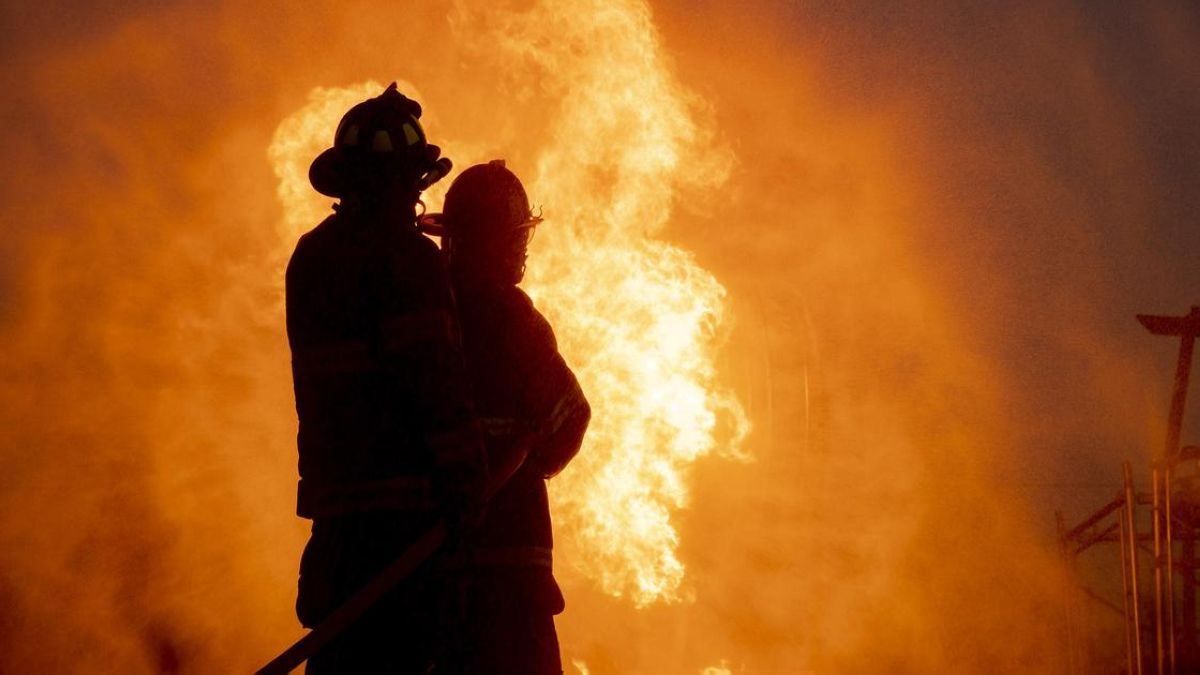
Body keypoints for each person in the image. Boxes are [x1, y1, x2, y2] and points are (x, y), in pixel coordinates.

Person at [285, 83, 487, 673]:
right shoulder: (409, 260)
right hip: (405, 532)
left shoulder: (312, 258)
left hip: (338, 530)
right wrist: (469, 488)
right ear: (409, 182)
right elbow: (436, 385)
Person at [431, 160, 591, 674]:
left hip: (431, 578)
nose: (521, 250)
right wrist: (530, 454)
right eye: (515, 238)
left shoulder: (419, 314)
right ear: (500, 243)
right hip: (512, 579)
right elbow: (571, 415)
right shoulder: (511, 318)